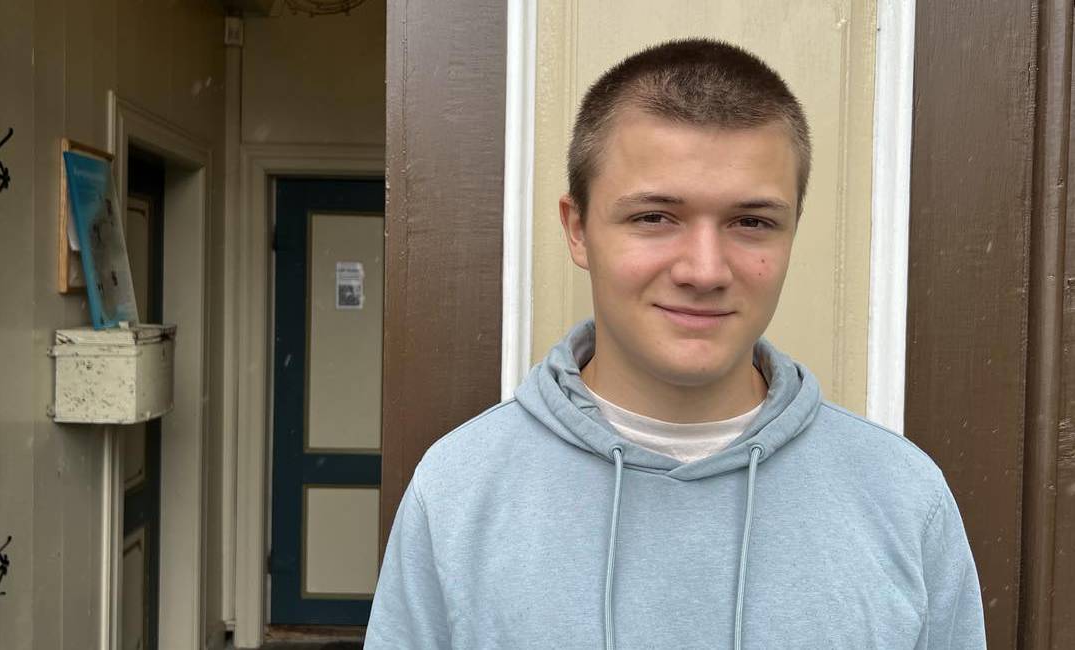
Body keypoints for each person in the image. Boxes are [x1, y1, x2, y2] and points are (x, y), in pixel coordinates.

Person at [366, 38, 985, 649]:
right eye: (655, 218)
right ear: (578, 230)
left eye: (752, 222)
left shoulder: (903, 497)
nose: (704, 270)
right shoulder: (457, 490)